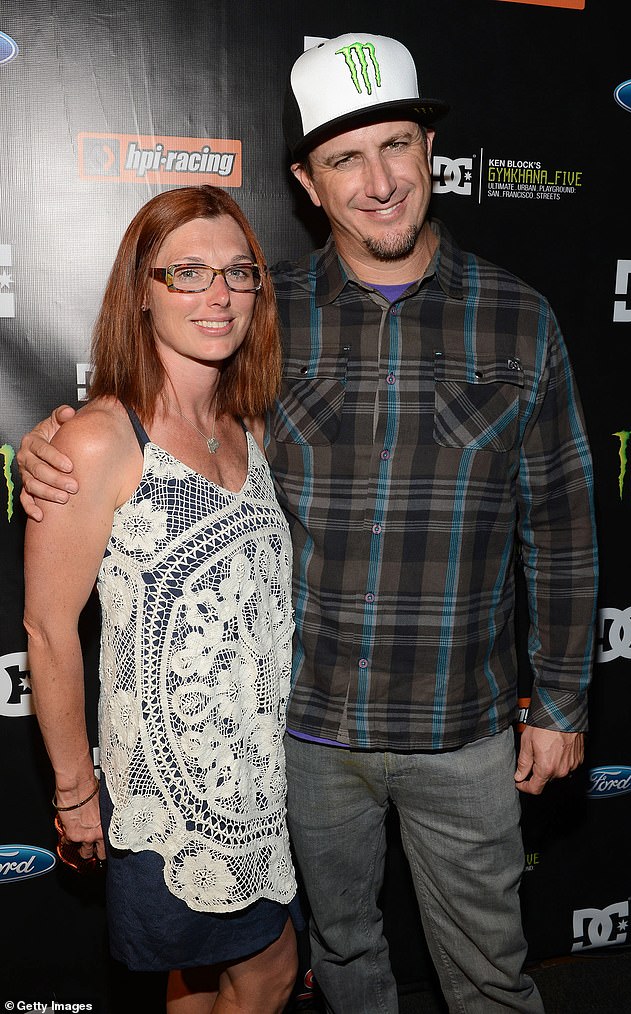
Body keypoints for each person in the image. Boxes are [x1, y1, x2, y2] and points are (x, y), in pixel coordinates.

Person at [19, 33, 597, 1014]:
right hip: (305, 736)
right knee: (340, 963)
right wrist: (56, 438)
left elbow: (564, 521)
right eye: (343, 159)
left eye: (395, 148)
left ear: (428, 154)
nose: (376, 182)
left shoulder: (519, 318)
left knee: (489, 978)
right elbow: (153, 418)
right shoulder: (261, 313)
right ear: (307, 182)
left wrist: (564, 700)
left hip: (459, 725)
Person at [22, 185, 301, 1014]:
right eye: (188, 272)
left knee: (195, 984)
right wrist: (76, 797)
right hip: (166, 800)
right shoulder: (101, 437)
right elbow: (46, 630)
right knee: (270, 974)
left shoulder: (250, 425)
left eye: (237, 272)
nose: (218, 294)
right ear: (141, 289)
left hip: (252, 781)